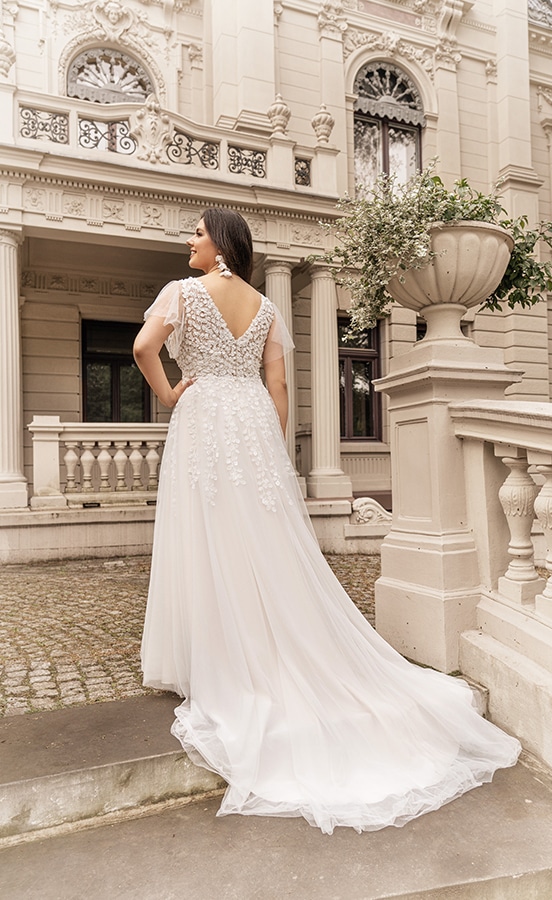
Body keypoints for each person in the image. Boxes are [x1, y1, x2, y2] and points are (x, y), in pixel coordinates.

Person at [133, 208, 520, 835]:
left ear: (221, 244)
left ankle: (215, 659)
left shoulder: (182, 292)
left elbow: (143, 347)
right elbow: (279, 386)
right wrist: (270, 442)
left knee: (205, 535)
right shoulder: (265, 307)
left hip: (203, 418)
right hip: (253, 422)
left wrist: (171, 392)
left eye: (197, 232)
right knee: (262, 542)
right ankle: (259, 647)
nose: (189, 240)